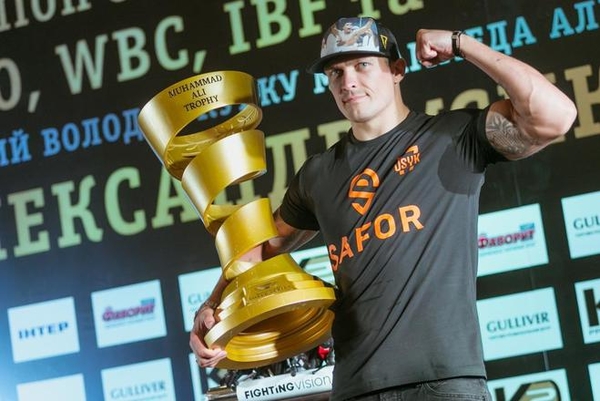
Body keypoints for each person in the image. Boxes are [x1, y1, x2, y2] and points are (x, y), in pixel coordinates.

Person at [190, 16, 577, 401]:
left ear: (397, 70)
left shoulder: (452, 137)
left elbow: (555, 116)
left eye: (362, 65)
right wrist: (212, 307)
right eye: (336, 72)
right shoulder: (318, 174)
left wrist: (461, 44)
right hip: (357, 388)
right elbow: (261, 251)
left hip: (445, 383)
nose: (348, 82)